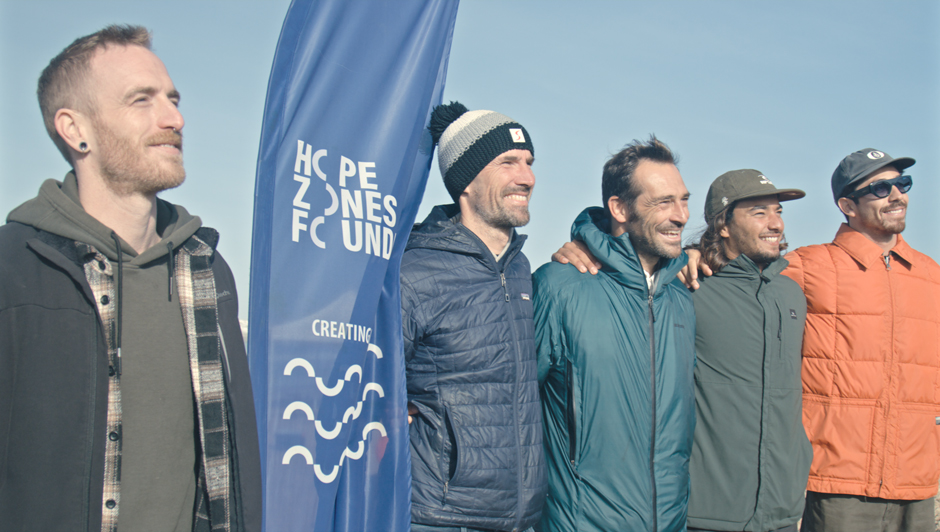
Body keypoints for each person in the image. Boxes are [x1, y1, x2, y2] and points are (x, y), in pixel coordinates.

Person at [0, 25, 261, 532]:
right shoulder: (13, 270)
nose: (174, 118)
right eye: (140, 100)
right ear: (75, 130)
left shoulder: (207, 271)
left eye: (172, 98)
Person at [534, 136, 696, 532]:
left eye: (684, 200)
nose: (681, 216)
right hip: (581, 522)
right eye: (663, 202)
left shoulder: (682, 297)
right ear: (619, 208)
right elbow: (512, 407)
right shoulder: (559, 286)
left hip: (669, 522)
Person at [401, 101, 546, 532]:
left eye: (529, 162)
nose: (527, 177)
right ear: (466, 180)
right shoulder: (415, 270)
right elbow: (370, 385)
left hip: (522, 517)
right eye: (508, 162)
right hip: (441, 516)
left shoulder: (520, 268)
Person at [785, 149, 940, 532]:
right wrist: (693, 255)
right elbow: (736, 279)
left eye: (902, 184)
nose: (897, 195)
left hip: (917, 482)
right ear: (847, 205)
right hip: (837, 483)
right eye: (881, 188)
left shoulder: (932, 275)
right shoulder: (807, 266)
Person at [682, 170, 812, 532]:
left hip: (781, 510)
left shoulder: (791, 295)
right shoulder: (690, 285)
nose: (775, 224)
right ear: (723, 225)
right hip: (708, 510)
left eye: (778, 212)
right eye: (759, 213)